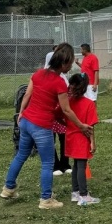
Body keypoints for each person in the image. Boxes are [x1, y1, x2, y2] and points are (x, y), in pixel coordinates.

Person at [0, 43, 92, 210]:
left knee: (21, 155)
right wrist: (81, 125)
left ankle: (8, 188)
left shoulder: (38, 74)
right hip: (41, 126)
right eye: (70, 63)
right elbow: (66, 110)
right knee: (48, 163)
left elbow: (27, 94)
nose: (71, 66)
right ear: (64, 63)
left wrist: (21, 113)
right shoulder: (59, 83)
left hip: (26, 122)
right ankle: (46, 199)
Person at [65, 73, 100, 205]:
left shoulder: (68, 103)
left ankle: (75, 192)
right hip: (81, 139)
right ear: (85, 87)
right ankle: (84, 195)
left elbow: (60, 115)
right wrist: (92, 142)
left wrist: (67, 125)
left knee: (75, 165)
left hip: (70, 138)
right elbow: (90, 126)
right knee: (81, 166)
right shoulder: (89, 104)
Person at [44, 46, 71, 176]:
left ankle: (65, 164)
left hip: (62, 113)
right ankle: (55, 166)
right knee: (51, 140)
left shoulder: (62, 77)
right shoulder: (45, 76)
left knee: (64, 138)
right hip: (50, 114)